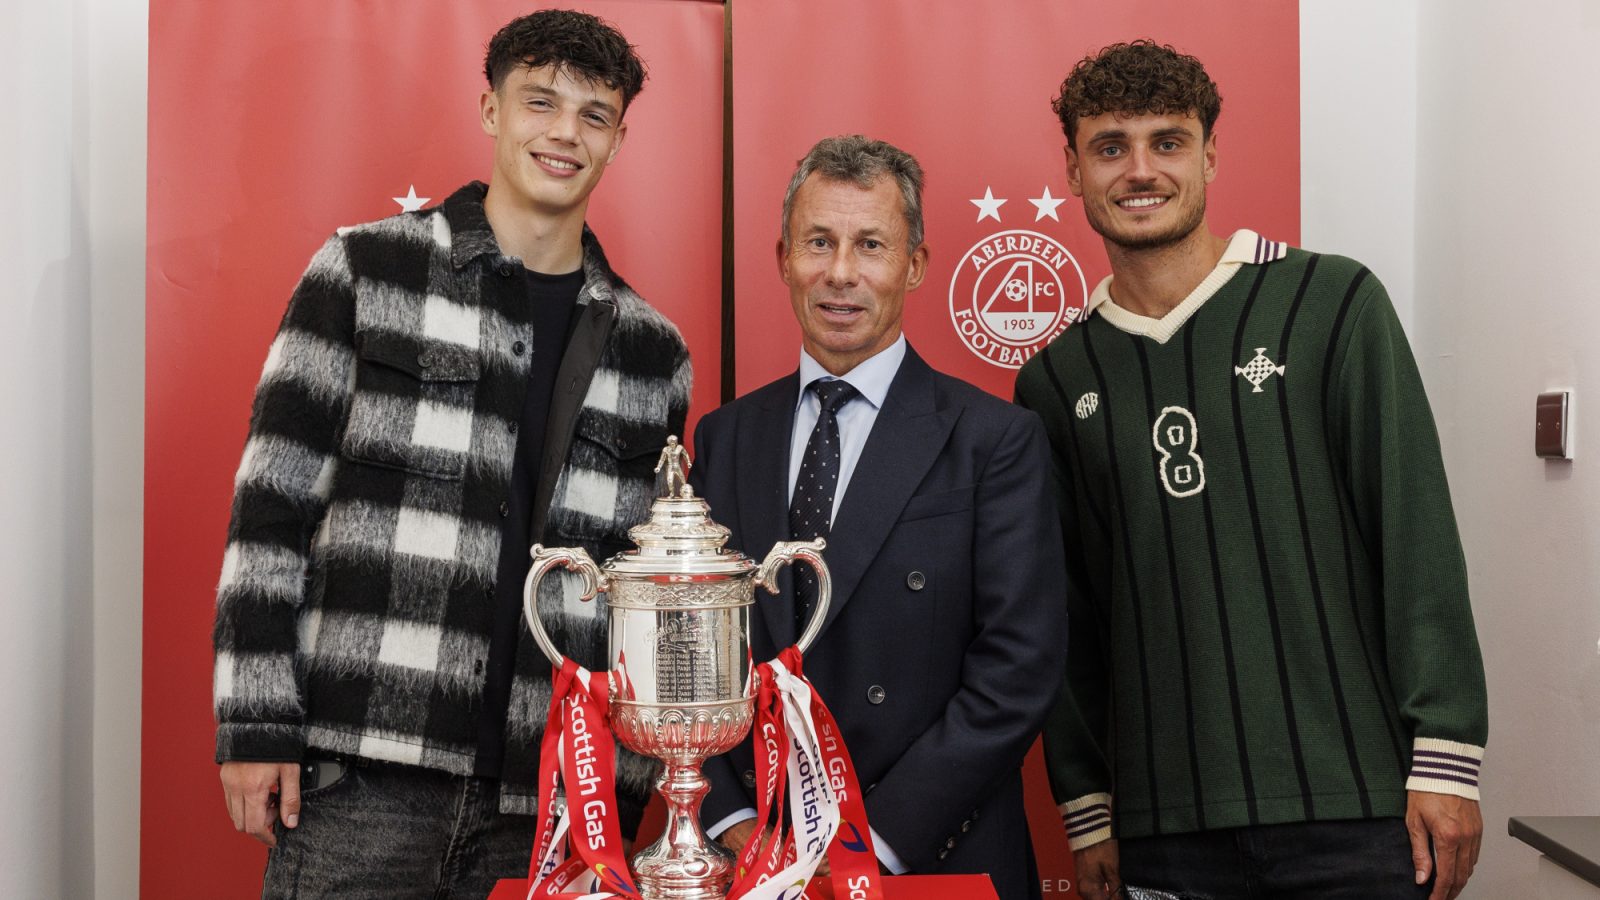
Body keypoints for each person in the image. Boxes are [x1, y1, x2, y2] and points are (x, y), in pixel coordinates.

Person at [211, 10, 691, 896]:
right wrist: (255, 724)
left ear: (619, 141)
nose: (564, 132)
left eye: (594, 115)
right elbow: (271, 511)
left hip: (548, 797)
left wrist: (624, 788)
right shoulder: (362, 272)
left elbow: (645, 590)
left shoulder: (653, 350)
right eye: (539, 102)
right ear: (490, 111)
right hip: (363, 776)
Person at [1014, 40, 1488, 900]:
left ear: (1211, 154)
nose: (1140, 170)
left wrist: (1447, 760)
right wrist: (1088, 805)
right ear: (1075, 170)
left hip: (1358, 809)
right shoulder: (1055, 380)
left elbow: (1416, 538)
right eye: (1110, 146)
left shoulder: (1333, 303)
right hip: (1163, 831)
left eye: (1168, 140)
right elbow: (1069, 612)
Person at [688, 135, 1066, 899]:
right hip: (756, 860)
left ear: (915, 265)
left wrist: (870, 842)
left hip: (932, 857)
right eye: (818, 242)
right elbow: (697, 650)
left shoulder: (994, 439)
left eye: (870, 245)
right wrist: (729, 819)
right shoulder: (725, 437)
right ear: (783, 256)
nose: (840, 274)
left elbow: (1020, 669)